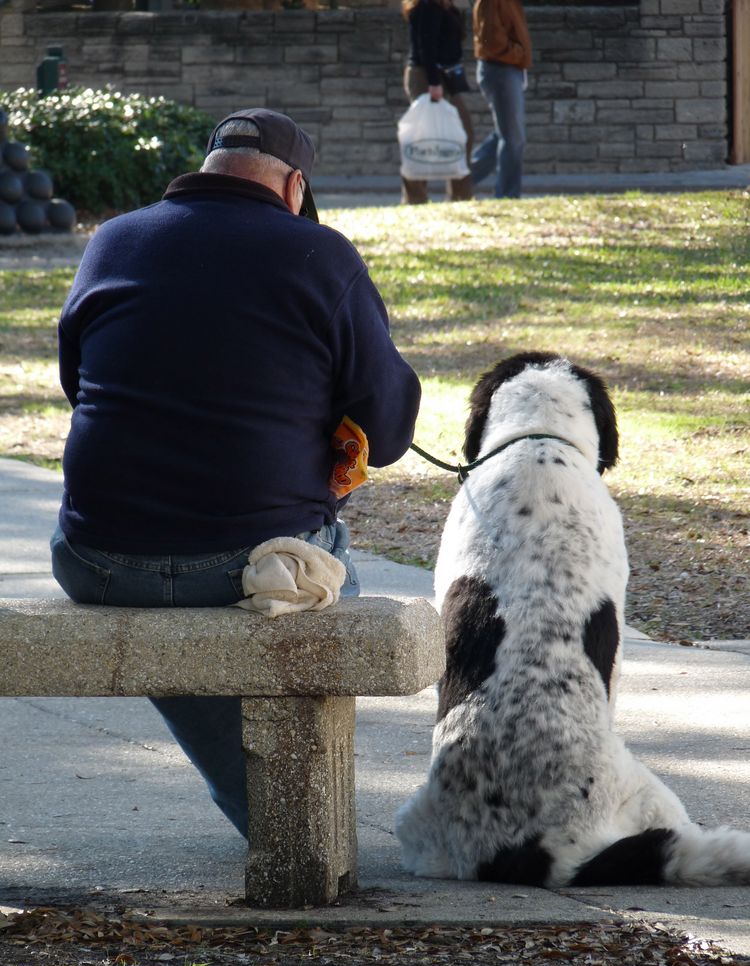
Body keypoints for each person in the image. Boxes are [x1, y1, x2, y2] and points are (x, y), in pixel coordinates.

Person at [50, 108, 421, 837]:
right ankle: (288, 819)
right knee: (327, 572)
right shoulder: (320, 254)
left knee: (176, 598)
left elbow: (79, 380)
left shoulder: (114, 240)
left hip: (94, 560)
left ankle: (263, 808)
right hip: (242, 567)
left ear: (209, 164)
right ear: (294, 187)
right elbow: (390, 433)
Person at [401, 0, 474, 204]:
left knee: (463, 133)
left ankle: (460, 196)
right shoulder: (428, 6)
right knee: (421, 138)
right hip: (426, 76)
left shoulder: (445, 6)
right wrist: (434, 82)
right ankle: (415, 198)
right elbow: (427, 45)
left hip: (445, 75)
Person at [471, 0, 532, 199]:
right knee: (513, 138)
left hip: (508, 68)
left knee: (507, 134)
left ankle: (462, 180)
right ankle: (507, 195)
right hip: (501, 68)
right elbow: (492, 40)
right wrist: (519, 54)